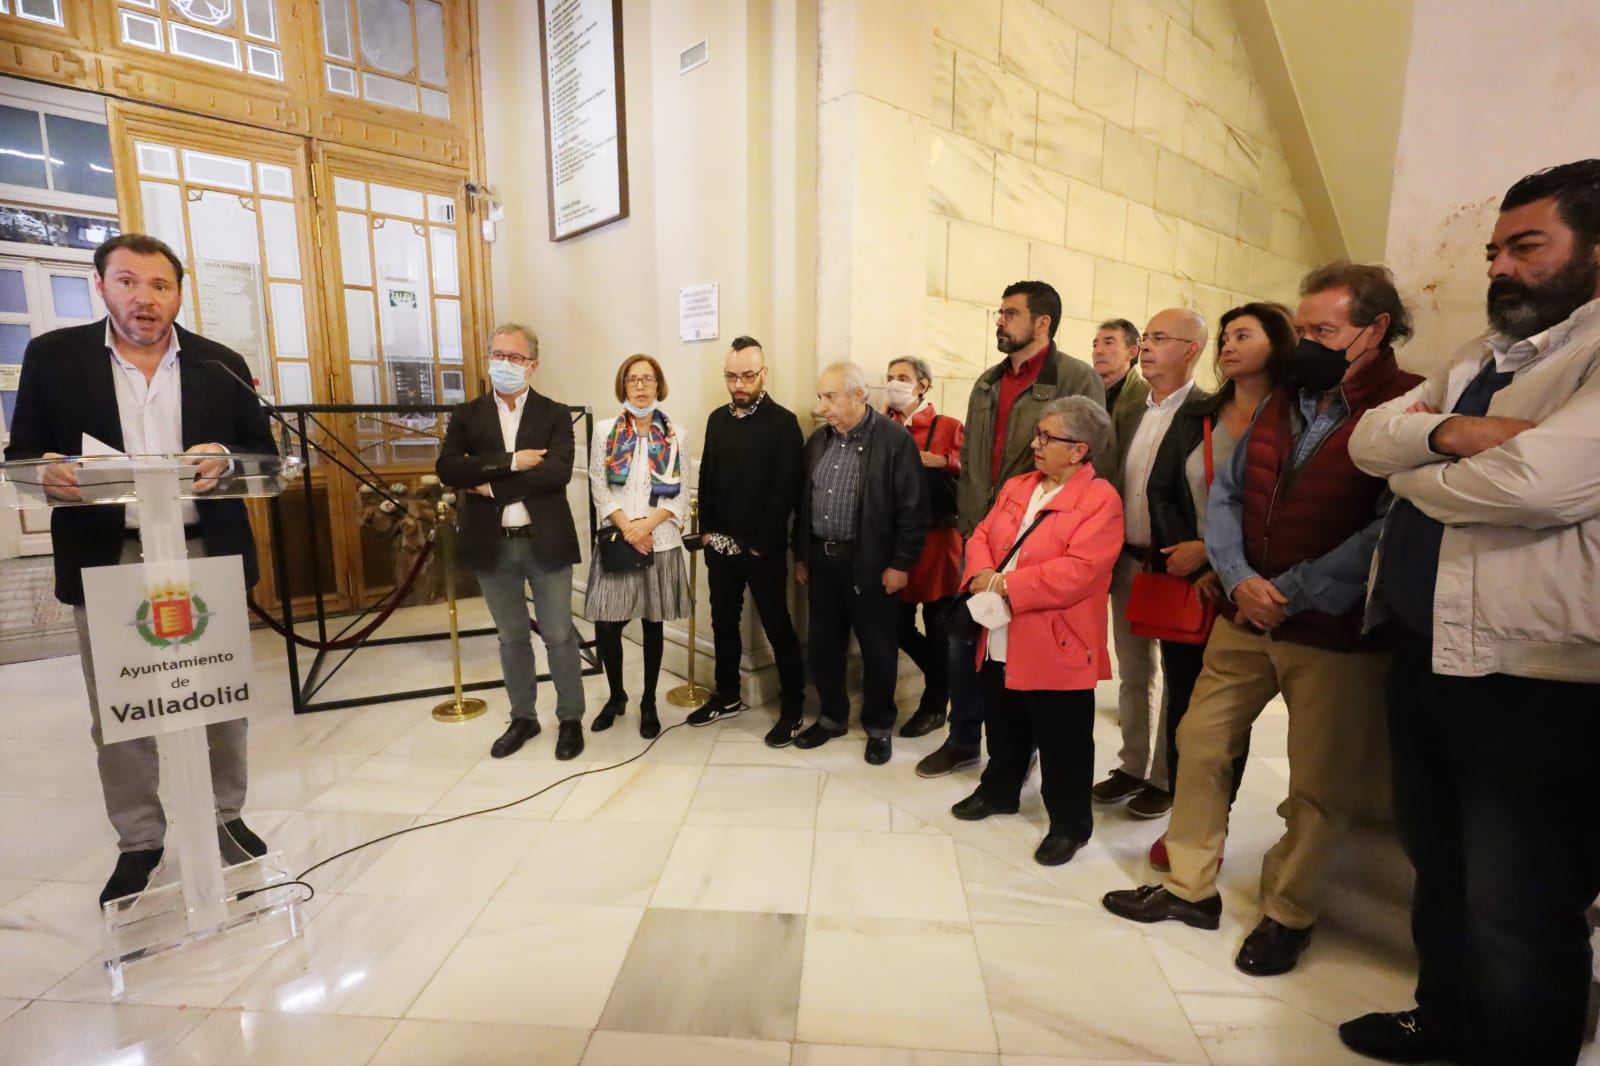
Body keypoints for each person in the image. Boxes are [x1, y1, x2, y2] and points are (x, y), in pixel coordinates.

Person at [1342, 160, 1600, 1066]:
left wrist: (1411, 473)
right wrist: (1451, 434)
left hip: (1535, 680)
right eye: (1494, 251)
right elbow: (1366, 438)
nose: (1499, 268)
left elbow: (1534, 484)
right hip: (1427, 652)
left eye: (1527, 247)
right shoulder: (1477, 357)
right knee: (1440, 868)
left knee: (1520, 905)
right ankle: (1445, 1019)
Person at [1102, 262, 1423, 977]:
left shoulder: (1407, 404)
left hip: (1334, 632)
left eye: (1323, 330)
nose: (1305, 343)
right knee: (1200, 742)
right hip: (1244, 618)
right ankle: (1189, 886)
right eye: (1301, 328)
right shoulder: (1286, 399)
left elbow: (1390, 522)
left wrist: (1292, 588)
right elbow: (1228, 493)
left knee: (1319, 785)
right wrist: (1240, 578)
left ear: (1374, 330)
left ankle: (1288, 911)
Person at [5, 233, 276, 906]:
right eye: (128, 282)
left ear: (179, 294)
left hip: (202, 550)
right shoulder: (55, 357)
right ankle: (140, 838)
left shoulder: (220, 364)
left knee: (219, 698)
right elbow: (23, 457)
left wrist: (226, 457)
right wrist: (46, 470)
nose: (144, 298)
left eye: (160, 285)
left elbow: (263, 456)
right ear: (101, 286)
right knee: (121, 707)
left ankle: (225, 816)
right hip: (109, 554)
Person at [916, 280, 1103, 779]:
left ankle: (1021, 750)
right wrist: (970, 523)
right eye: (999, 312)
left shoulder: (1076, 378)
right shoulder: (987, 382)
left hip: (1039, 539)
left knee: (1020, 649)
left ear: (1042, 323)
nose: (1000, 321)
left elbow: (1089, 460)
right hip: (980, 534)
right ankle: (962, 739)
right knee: (964, 640)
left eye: (1010, 313)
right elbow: (973, 458)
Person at [1141, 303, 1294, 870]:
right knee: (1188, 708)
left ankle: (1216, 821)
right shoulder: (1198, 414)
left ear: (1278, 345)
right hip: (1194, 585)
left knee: (1231, 718)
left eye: (1242, 336)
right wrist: (1191, 558)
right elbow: (1160, 490)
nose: (1227, 346)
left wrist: (1218, 558)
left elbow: (1285, 507)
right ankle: (1185, 821)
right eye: (1224, 337)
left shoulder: (1296, 416)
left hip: (1258, 587)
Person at [948, 396, 1122, 866]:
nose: (1036, 444)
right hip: (1000, 629)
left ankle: (1069, 825)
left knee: (1064, 739)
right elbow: (981, 536)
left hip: (1056, 639)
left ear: (1080, 450)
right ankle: (999, 790)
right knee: (1003, 719)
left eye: (1048, 437)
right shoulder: (1019, 485)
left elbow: (1080, 571)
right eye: (1037, 434)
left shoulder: (1100, 500)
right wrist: (983, 573)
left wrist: (1006, 584)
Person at [436, 323, 586, 762]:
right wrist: (513, 462)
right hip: (492, 543)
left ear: (532, 365)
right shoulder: (467, 414)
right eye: (497, 355)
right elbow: (450, 469)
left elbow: (557, 472)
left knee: (559, 634)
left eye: (515, 357)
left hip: (546, 540)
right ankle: (523, 717)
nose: (504, 363)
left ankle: (570, 719)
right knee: (511, 636)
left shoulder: (554, 414)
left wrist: (492, 485)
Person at [1092, 309, 1204, 820]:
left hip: (1175, 566)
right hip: (1127, 560)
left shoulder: (1206, 411)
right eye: (1148, 338)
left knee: (1179, 678)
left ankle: (1164, 777)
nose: (1149, 347)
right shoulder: (1133, 410)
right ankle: (1132, 765)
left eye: (1161, 338)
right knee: (1134, 672)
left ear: (1191, 350)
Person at [793, 361, 927, 764]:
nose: (822, 406)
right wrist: (801, 555)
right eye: (820, 397)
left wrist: (901, 564)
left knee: (878, 650)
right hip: (823, 561)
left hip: (872, 565)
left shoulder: (894, 441)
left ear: (857, 396)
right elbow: (802, 504)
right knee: (824, 646)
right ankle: (832, 717)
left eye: (830, 397)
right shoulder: (818, 441)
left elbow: (913, 509)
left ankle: (879, 726)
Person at [687, 336, 807, 747]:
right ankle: (727, 696)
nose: (739, 385)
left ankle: (793, 710)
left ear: (763, 374)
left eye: (747, 376)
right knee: (723, 622)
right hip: (720, 546)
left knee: (777, 626)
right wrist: (707, 533)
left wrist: (760, 544)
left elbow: (786, 490)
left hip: (761, 549)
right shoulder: (717, 419)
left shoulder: (783, 423)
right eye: (731, 376)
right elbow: (707, 478)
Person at [585, 354, 691, 742]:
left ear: (658, 385)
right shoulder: (604, 431)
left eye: (648, 379)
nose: (641, 386)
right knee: (607, 625)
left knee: (652, 623)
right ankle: (616, 696)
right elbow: (599, 485)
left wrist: (647, 526)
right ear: (623, 386)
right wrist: (629, 528)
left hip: (658, 542)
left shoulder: (677, 434)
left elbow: (680, 495)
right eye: (633, 379)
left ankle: (649, 702)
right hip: (619, 539)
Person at [882, 356, 964, 739]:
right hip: (896, 543)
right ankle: (945, 677)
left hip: (938, 542)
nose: (894, 383)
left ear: (923, 385)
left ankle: (935, 705)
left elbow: (975, 470)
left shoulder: (947, 426)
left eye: (903, 377)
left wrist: (943, 460)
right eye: (890, 377)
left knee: (938, 627)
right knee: (896, 625)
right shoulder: (881, 425)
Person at [1092, 317, 1147, 415]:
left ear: (1132, 352)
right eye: (1095, 345)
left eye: (1108, 343)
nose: (1098, 351)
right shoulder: (1084, 390)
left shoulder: (1146, 397)